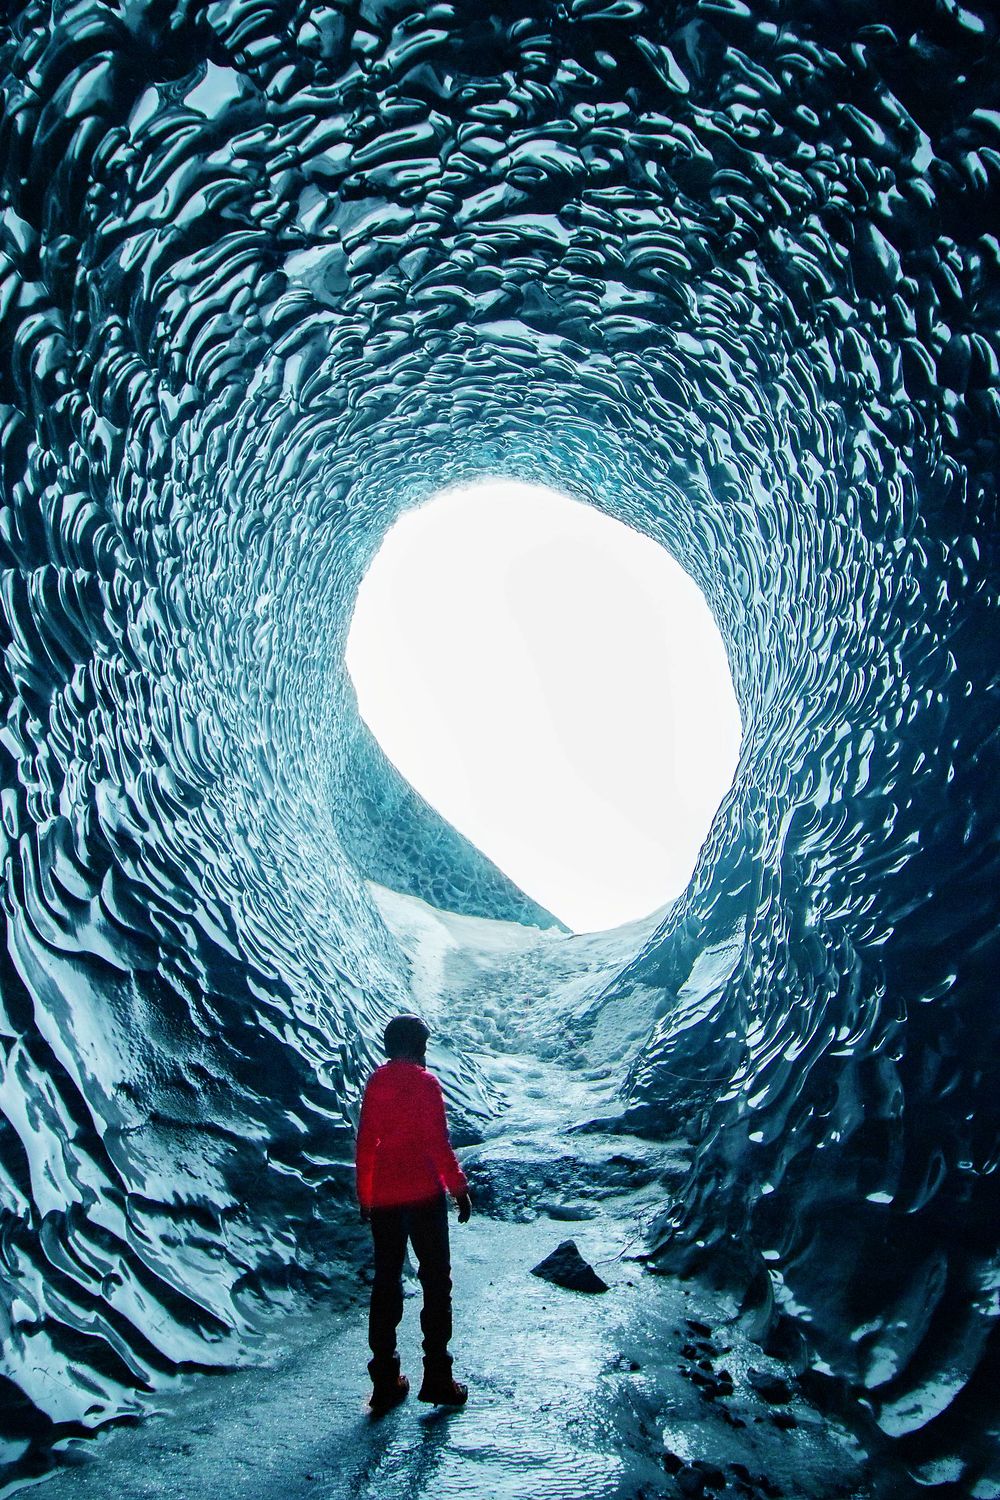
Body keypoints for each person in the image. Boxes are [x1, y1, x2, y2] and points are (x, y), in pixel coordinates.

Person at [355, 1013, 473, 1413]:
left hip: (386, 1196)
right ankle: (438, 1376)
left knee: (386, 1281)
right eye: (422, 1045)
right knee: (435, 1280)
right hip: (424, 1195)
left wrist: (365, 1196)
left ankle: (385, 1380)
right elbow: (438, 1145)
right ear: (415, 1046)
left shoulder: (376, 1082)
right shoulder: (426, 1085)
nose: (425, 1052)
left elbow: (367, 1142)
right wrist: (458, 1189)